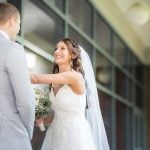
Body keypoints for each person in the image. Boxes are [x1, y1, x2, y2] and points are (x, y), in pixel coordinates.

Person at [31, 38, 110, 150]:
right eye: (56, 48)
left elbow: (35, 78)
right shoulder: (55, 81)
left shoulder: (75, 77)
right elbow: (60, 114)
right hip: (55, 135)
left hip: (74, 136)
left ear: (73, 55)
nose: (57, 51)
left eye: (62, 48)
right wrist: (44, 120)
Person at [0, 2, 35, 150]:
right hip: (9, 136)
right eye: (19, 24)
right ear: (12, 21)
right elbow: (25, 101)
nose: (19, 29)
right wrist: (27, 132)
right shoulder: (13, 49)